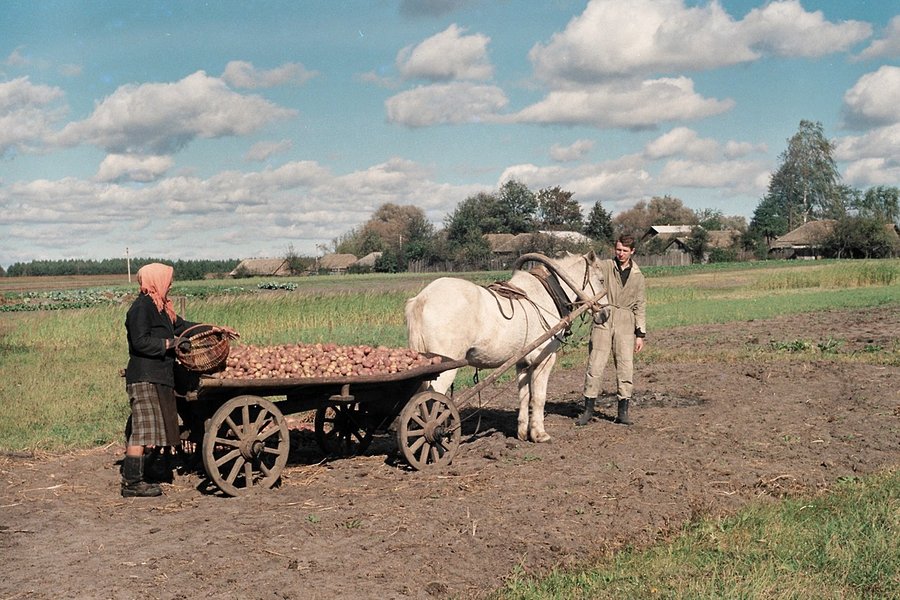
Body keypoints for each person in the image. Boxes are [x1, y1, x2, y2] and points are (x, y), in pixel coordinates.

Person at [121, 263, 234, 497]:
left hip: (159, 375)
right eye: (168, 280)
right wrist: (170, 344)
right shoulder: (141, 308)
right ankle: (132, 482)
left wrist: (215, 329)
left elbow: (183, 327)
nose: (170, 284)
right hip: (145, 376)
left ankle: (148, 471)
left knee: (155, 427)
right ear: (156, 280)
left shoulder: (161, 308)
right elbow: (140, 342)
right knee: (143, 430)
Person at [577, 234, 646, 426]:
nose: (621, 253)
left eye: (625, 250)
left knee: (625, 367)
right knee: (595, 365)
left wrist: (640, 334)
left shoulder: (638, 276)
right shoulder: (606, 266)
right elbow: (590, 266)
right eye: (618, 250)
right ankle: (588, 410)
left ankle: (623, 412)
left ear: (632, 251)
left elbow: (640, 305)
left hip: (626, 322)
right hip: (603, 318)